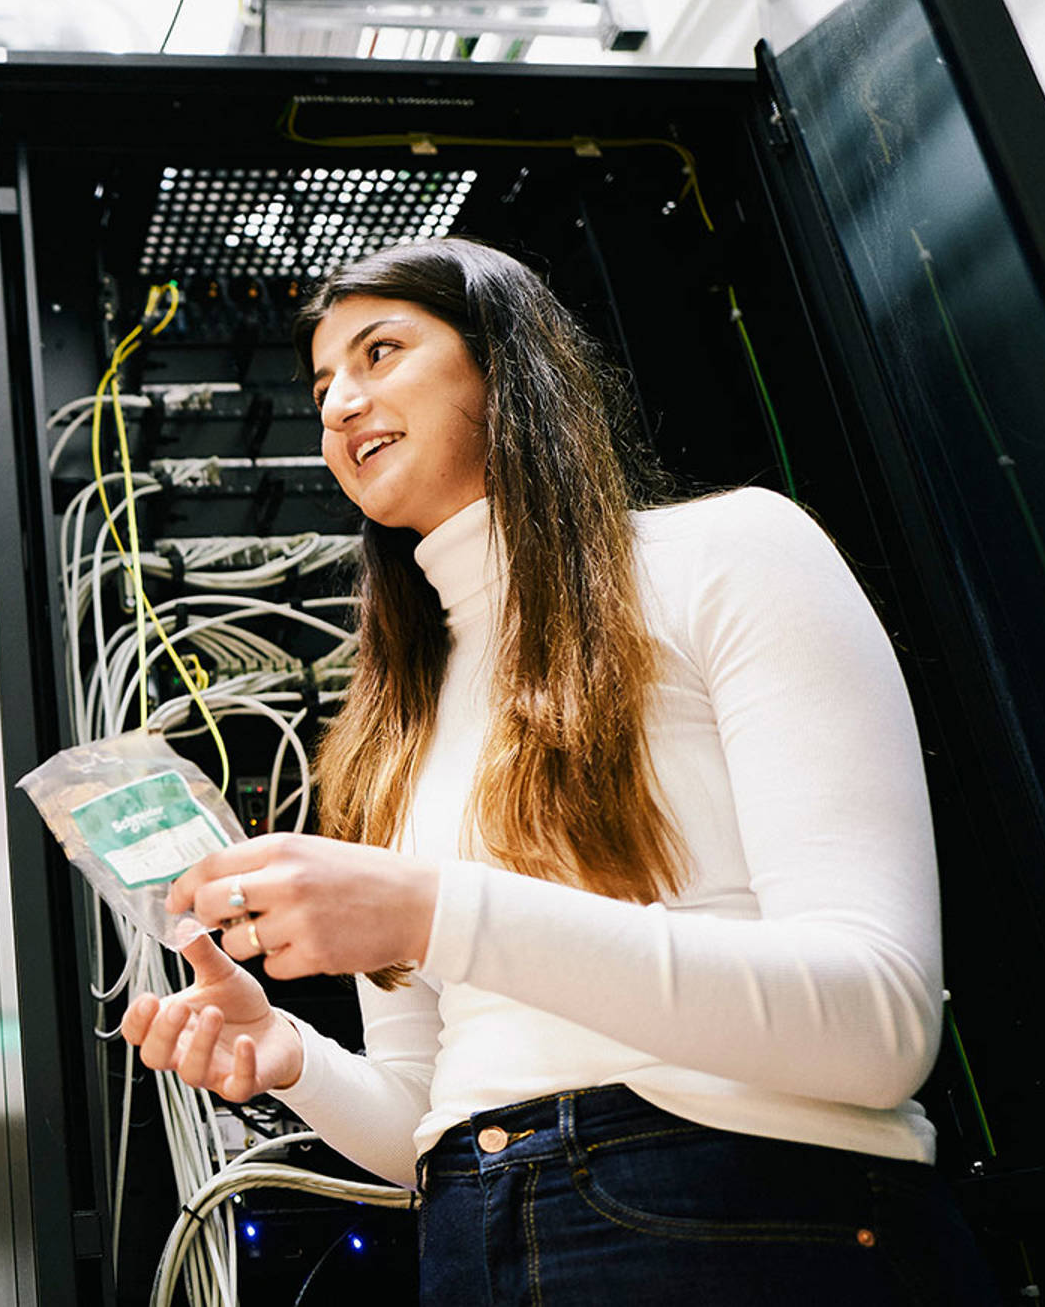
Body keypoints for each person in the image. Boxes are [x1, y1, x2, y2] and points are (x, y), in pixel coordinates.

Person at [121, 239, 995, 1304]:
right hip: (475, 1234)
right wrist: (289, 1053)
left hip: (747, 1213)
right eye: (321, 388)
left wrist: (436, 911)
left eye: (380, 352)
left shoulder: (731, 555)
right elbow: (428, 1120)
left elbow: (879, 1025)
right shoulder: (390, 721)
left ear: (505, 362)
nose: (339, 405)